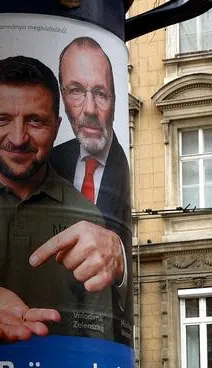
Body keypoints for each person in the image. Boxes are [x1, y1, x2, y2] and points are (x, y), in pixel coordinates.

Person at [0, 55, 130, 344]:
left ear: (56, 128)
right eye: (2, 120)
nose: (18, 138)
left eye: (35, 121)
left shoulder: (87, 218)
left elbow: (99, 336)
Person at [50, 37, 131, 254]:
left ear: (114, 98)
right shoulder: (50, 161)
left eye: (100, 93)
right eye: (76, 91)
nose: (90, 110)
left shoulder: (127, 168)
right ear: (62, 95)